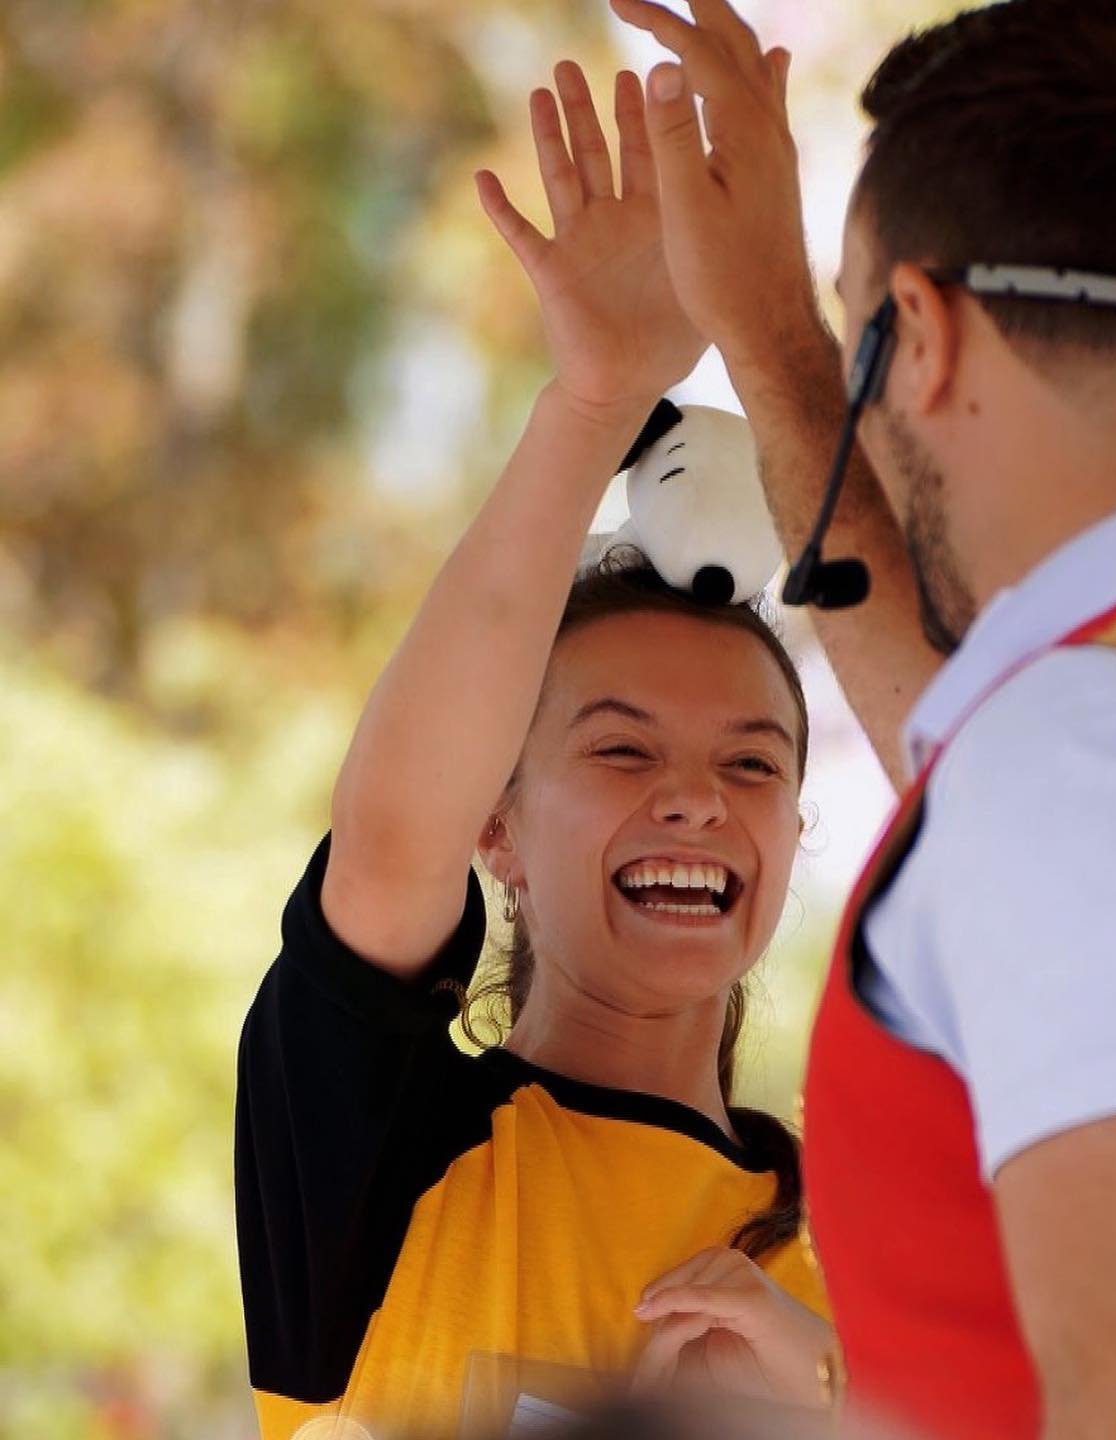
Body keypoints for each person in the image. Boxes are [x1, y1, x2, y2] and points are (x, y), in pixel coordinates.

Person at [608, 1, 1116, 1437]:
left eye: (869, 353)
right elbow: (966, 731)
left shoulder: (1100, 764)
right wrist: (772, 332)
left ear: (920, 337)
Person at [234, 61, 832, 1440]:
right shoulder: (387, 1152)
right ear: (494, 826)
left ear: (797, 833)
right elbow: (389, 846)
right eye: (620, 752)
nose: (696, 798)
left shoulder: (865, 1251)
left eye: (754, 765)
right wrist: (597, 398)